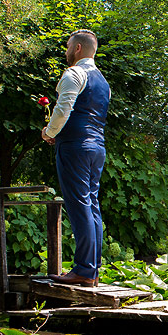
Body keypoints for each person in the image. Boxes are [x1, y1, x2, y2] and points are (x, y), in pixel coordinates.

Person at [41, 29, 109, 287]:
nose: (67, 51)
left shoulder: (74, 73)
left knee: (80, 205)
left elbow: (63, 109)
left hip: (75, 147)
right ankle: (92, 270)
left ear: (78, 48)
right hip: (97, 147)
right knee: (92, 205)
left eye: (69, 46)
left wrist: (49, 132)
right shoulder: (104, 83)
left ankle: (84, 270)